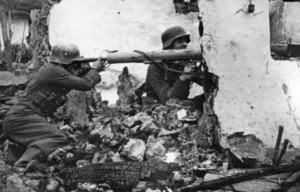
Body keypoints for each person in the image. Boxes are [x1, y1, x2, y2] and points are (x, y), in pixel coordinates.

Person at [3, 42, 104, 168]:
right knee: (57, 137)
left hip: (23, 116)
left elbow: (76, 78)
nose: (76, 68)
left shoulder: (55, 70)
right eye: (74, 64)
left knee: (64, 138)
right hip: (22, 117)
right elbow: (85, 84)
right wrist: (95, 70)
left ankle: (29, 164)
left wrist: (87, 71)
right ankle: (21, 166)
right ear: (64, 64)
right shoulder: (54, 71)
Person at [142, 26, 205, 115]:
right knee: (188, 104)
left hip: (178, 104)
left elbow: (206, 83)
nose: (184, 44)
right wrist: (183, 77)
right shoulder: (155, 67)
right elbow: (167, 100)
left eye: (185, 41)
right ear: (169, 46)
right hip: (155, 106)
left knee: (207, 98)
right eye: (180, 41)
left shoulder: (182, 63)